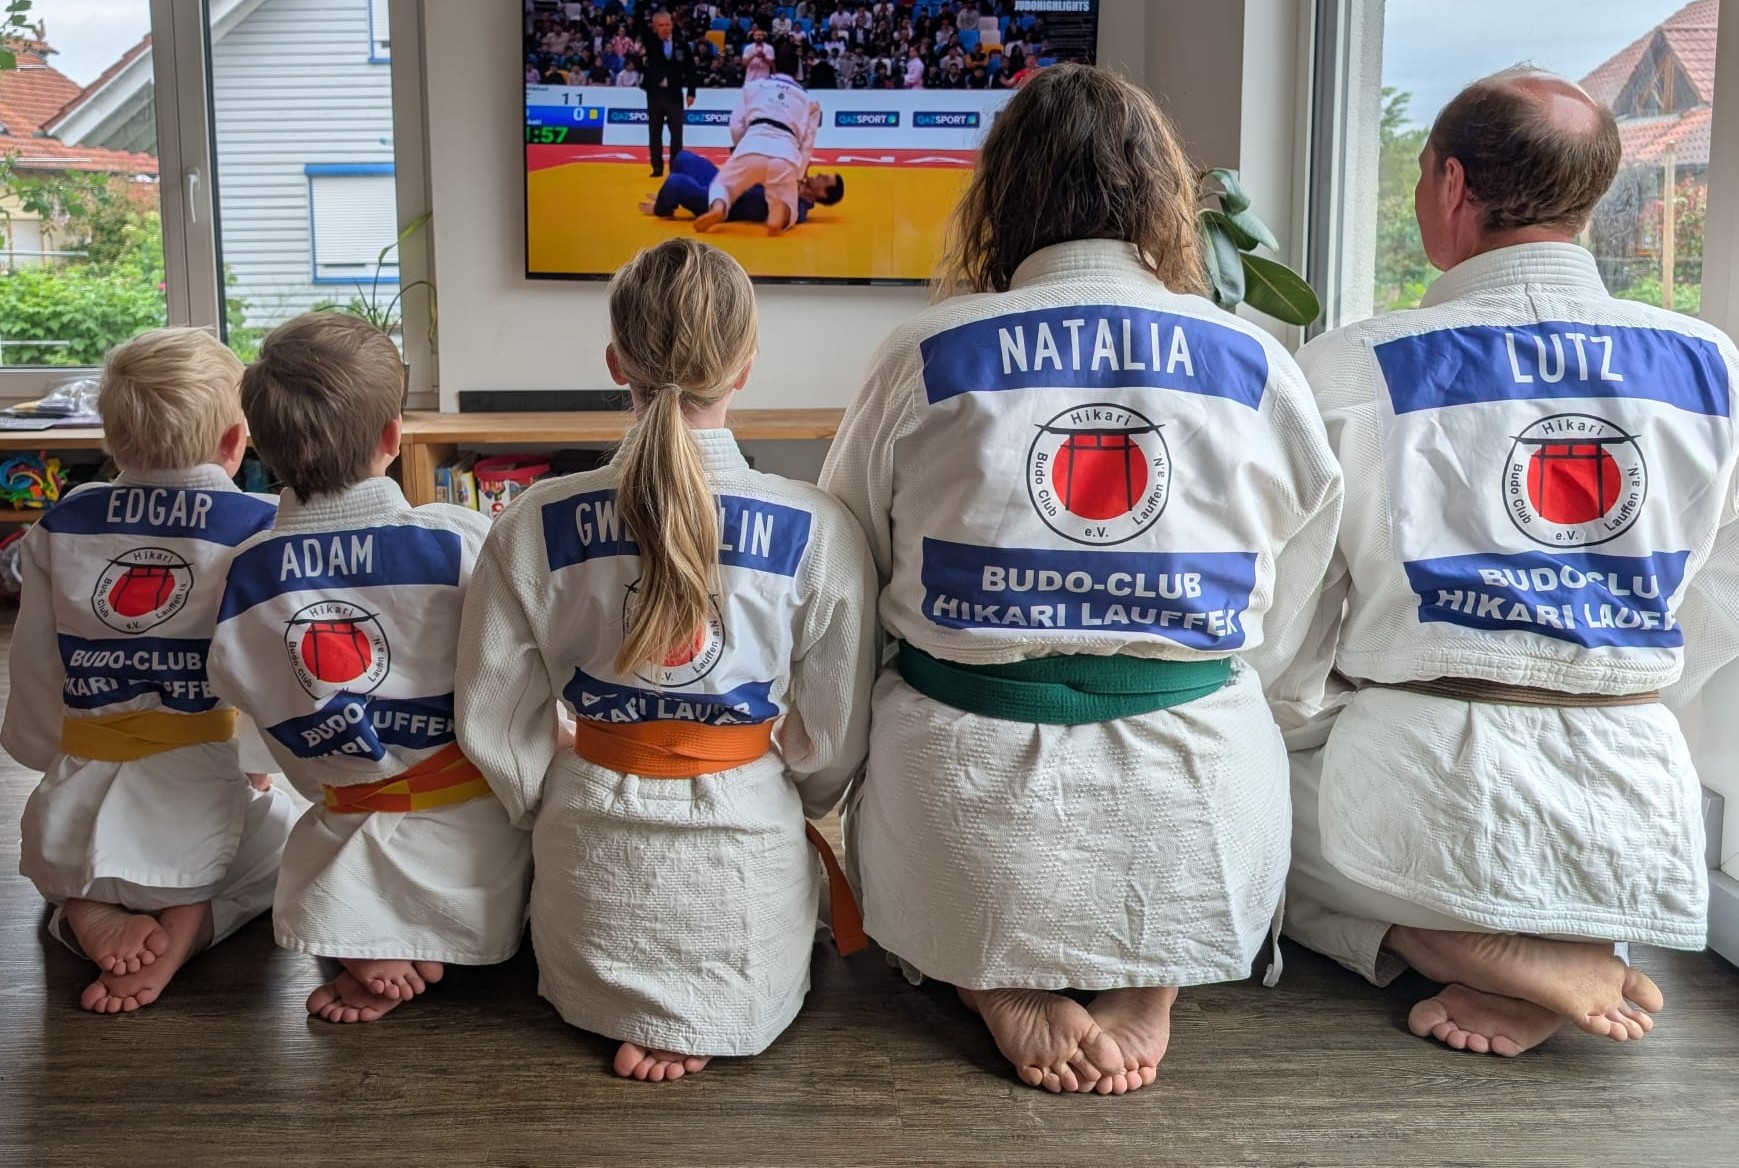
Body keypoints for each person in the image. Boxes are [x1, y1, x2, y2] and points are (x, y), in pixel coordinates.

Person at [818, 64, 1342, 1095]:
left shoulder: (924, 351)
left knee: (908, 715)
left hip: (964, 793)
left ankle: (984, 971)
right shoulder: (1253, 360)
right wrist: (1254, 694)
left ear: (1002, 199)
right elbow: (1299, 585)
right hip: (1194, 792)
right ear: (1160, 198)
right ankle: (1156, 974)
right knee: (1237, 696)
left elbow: (845, 563)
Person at [1281, 68, 1739, 1057]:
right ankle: (1563, 946)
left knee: (1230, 795)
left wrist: (1308, 722)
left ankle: (1440, 940)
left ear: (1450, 185)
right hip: (1631, 806)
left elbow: (1295, 631)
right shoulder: (1716, 365)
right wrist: (1614, 691)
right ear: (1593, 195)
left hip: (1419, 798)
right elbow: (1721, 597)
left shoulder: (1349, 365)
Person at [456, 238, 876, 1082]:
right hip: (744, 870)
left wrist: (546, 787)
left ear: (615, 363)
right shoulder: (818, 528)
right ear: (746, 368)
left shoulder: (531, 520)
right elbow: (833, 738)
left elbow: (492, 717)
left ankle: (626, 996)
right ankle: (705, 1003)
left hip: (589, 872)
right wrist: (780, 782)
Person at [207, 313, 531, 1025]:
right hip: (474, 830)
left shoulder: (244, 574)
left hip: (344, 807)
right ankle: (431, 936)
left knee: (312, 840)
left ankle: (366, 933)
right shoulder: (459, 539)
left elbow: (246, 700)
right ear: (393, 436)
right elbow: (515, 676)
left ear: (260, 445)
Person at [3, 328, 297, 1013]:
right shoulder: (262, 526)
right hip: (200, 795)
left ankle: (82, 908)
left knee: (59, 858)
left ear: (110, 438)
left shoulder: (62, 523)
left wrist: (50, 750)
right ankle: (190, 925)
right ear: (235, 441)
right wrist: (261, 760)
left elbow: (36, 663)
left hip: (75, 806)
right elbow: (266, 664)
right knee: (283, 835)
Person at [696, 46, 821, 236]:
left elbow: (736, 126)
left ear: (773, 65)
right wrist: (798, 175)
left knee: (722, 185)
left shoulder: (753, 87)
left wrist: (741, 147)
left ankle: (719, 208)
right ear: (797, 70)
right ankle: (779, 212)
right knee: (790, 205)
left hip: (753, 143)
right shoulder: (809, 101)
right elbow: (807, 145)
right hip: (786, 153)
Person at [641, 149, 843, 226]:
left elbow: (779, 214)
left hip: (726, 204)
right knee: (683, 157)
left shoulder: (797, 211)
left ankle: (662, 208)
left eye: (824, 179)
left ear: (823, 194)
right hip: (726, 182)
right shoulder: (793, 179)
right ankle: (669, 201)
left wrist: (792, 184)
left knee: (675, 183)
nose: (819, 175)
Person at [639, 9, 697, 177]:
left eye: (667, 24)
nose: (664, 28)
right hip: (655, 95)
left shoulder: (682, 44)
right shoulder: (650, 43)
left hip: (674, 94)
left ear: (672, 25)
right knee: (655, 133)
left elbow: (691, 69)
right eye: (661, 25)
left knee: (677, 134)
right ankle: (657, 167)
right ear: (655, 27)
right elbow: (640, 26)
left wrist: (691, 92)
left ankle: (676, 167)